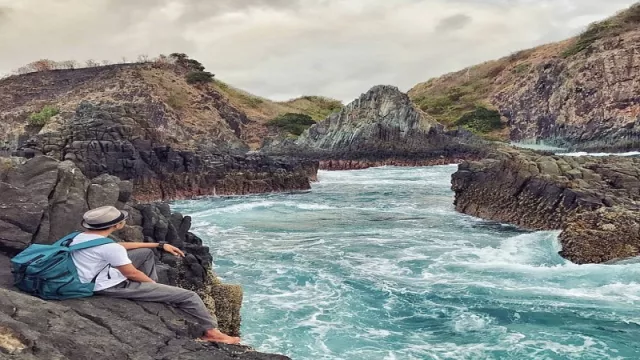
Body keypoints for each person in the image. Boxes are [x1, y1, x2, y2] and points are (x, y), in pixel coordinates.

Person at [69, 205, 240, 345]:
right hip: (105, 286)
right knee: (190, 296)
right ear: (116, 225)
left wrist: (158, 245)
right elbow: (131, 273)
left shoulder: (79, 237)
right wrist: (152, 285)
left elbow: (118, 246)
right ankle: (211, 332)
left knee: (145, 252)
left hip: (89, 276)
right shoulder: (109, 248)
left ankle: (153, 293)